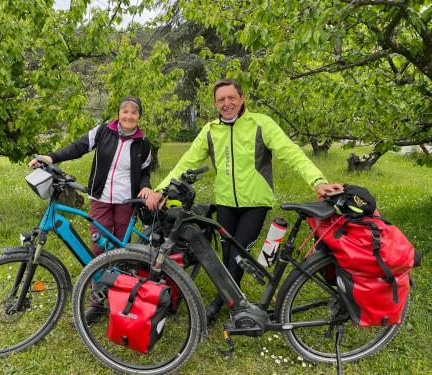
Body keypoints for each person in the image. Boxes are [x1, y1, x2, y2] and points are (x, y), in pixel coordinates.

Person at [147, 79, 343, 324]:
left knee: (238, 254)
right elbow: (186, 161)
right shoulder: (210, 130)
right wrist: (161, 190)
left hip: (255, 203)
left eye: (231, 98)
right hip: (226, 202)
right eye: (221, 100)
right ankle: (234, 302)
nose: (227, 103)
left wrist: (317, 180)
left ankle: (222, 303)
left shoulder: (261, 124)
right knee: (227, 254)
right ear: (215, 103)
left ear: (241, 98)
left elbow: (290, 152)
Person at [29, 96, 154, 323]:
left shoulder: (143, 142)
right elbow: (79, 147)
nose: (128, 116)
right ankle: (97, 302)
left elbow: (145, 171)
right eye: (124, 112)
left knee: (120, 250)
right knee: (99, 247)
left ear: (139, 117)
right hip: (101, 198)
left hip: (127, 201)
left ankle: (120, 298)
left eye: (133, 113)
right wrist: (52, 157)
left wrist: (145, 187)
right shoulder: (103, 131)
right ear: (119, 114)